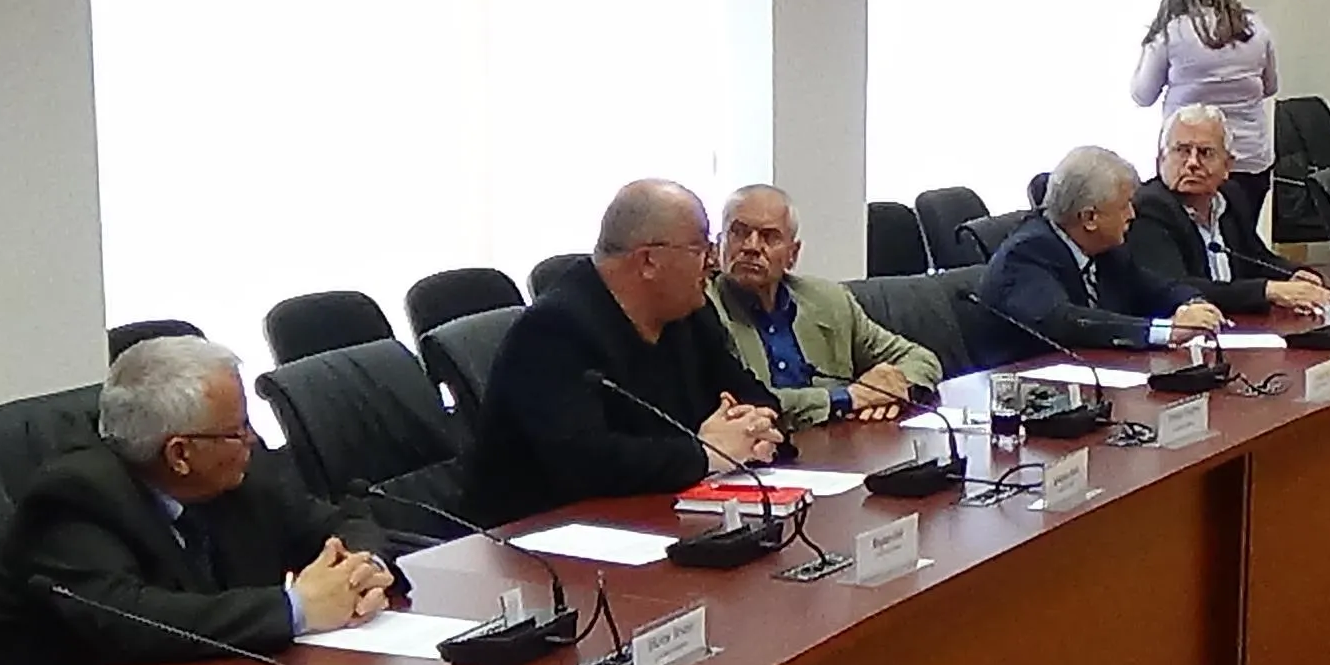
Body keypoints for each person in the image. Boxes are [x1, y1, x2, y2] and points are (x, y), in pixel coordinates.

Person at [0, 337, 400, 665]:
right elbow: (131, 621)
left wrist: (363, 571)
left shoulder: (237, 470)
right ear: (179, 454)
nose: (251, 439)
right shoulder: (74, 498)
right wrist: (298, 608)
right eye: (237, 429)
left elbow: (339, 521)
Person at [464, 180, 787, 520]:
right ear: (648, 261)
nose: (713, 263)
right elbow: (585, 462)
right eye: (699, 249)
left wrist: (754, 429)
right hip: (542, 533)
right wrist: (707, 453)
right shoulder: (553, 330)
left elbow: (754, 395)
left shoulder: (688, 313)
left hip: (662, 515)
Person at [706, 183, 942, 430]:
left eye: (769, 237)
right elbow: (741, 402)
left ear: (792, 254)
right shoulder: (704, 311)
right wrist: (848, 398)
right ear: (719, 243)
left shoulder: (829, 301)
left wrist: (893, 388)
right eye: (739, 232)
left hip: (839, 444)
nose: (751, 246)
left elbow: (921, 359)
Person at [970, 146, 1229, 364]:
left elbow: (1154, 288)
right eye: (1124, 206)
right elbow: (1069, 321)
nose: (1132, 215)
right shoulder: (1027, 254)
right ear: (1089, 218)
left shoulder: (1105, 250)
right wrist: (1167, 330)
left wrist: (1193, 304)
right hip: (1028, 388)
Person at [1126, 105, 1330, 314]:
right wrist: (1268, 291)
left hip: (1236, 323)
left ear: (1228, 165)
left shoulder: (1230, 196)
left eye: (1205, 153)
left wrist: (1294, 275)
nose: (1192, 163)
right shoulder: (1150, 207)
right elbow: (1176, 286)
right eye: (1182, 151)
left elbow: (1256, 258)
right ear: (1161, 160)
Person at [1129, 0, 1280, 187]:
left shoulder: (1171, 33)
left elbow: (1142, 94)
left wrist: (1149, 41)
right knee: (1242, 213)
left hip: (1191, 163)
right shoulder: (1254, 28)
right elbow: (1270, 87)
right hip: (1249, 159)